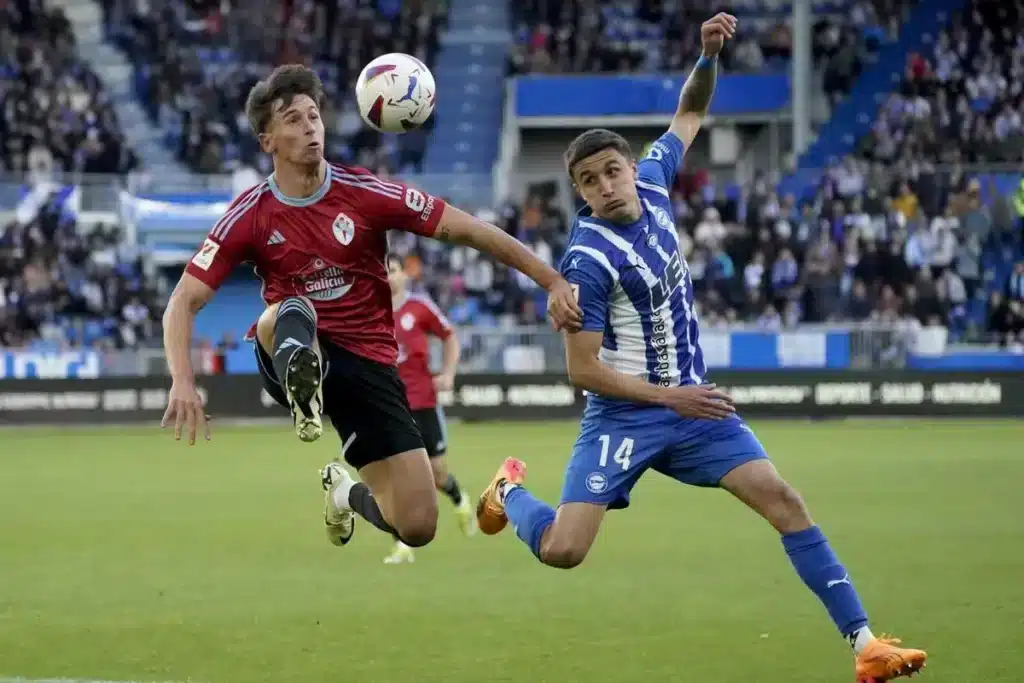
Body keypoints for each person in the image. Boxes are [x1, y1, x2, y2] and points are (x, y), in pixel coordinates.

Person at [474, 14, 927, 683]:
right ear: (580, 191)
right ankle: (508, 490)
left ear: (632, 168)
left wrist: (709, 55)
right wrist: (669, 397)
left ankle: (865, 644)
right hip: (627, 414)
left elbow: (688, 112)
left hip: (693, 408)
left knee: (784, 500)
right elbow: (582, 370)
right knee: (565, 549)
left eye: (612, 171)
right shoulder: (587, 262)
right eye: (590, 180)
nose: (606, 185)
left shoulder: (656, 181)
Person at [161, 64, 582, 555]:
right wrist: (182, 380)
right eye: (293, 120)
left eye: (314, 116)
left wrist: (551, 279)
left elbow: (469, 229)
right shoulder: (250, 214)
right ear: (267, 141)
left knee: (418, 525)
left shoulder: (365, 193)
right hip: (292, 346)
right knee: (288, 310)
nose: (310, 127)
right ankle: (303, 389)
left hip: (369, 367)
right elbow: (182, 301)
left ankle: (344, 493)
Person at [368, 253, 475, 565]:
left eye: (393, 270)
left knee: (437, 475)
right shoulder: (369, 311)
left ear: (404, 275)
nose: (388, 277)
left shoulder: (419, 307)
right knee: (396, 477)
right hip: (390, 406)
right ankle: (402, 544)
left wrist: (448, 373)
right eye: (383, 271)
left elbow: (449, 336)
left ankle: (459, 498)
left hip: (424, 402)